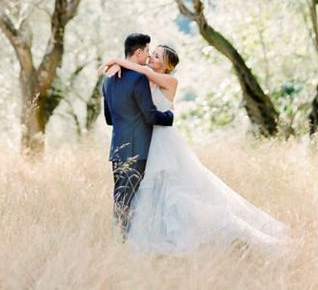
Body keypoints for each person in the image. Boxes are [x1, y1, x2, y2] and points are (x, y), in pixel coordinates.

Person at [102, 44, 288, 255]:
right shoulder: (145, 81)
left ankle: (224, 236)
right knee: (151, 190)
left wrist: (117, 61)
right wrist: (117, 69)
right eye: (151, 54)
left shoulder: (169, 81)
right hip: (148, 140)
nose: (150, 58)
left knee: (176, 189)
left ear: (166, 65)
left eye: (156, 56)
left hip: (164, 141)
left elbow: (142, 70)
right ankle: (152, 238)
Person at [102, 33, 174, 237]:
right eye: (148, 51)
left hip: (117, 148)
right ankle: (124, 240)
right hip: (137, 148)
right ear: (139, 52)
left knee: (121, 196)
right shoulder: (139, 78)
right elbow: (150, 116)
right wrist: (170, 117)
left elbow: (109, 119)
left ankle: (120, 238)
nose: (149, 56)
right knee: (131, 197)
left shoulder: (108, 79)